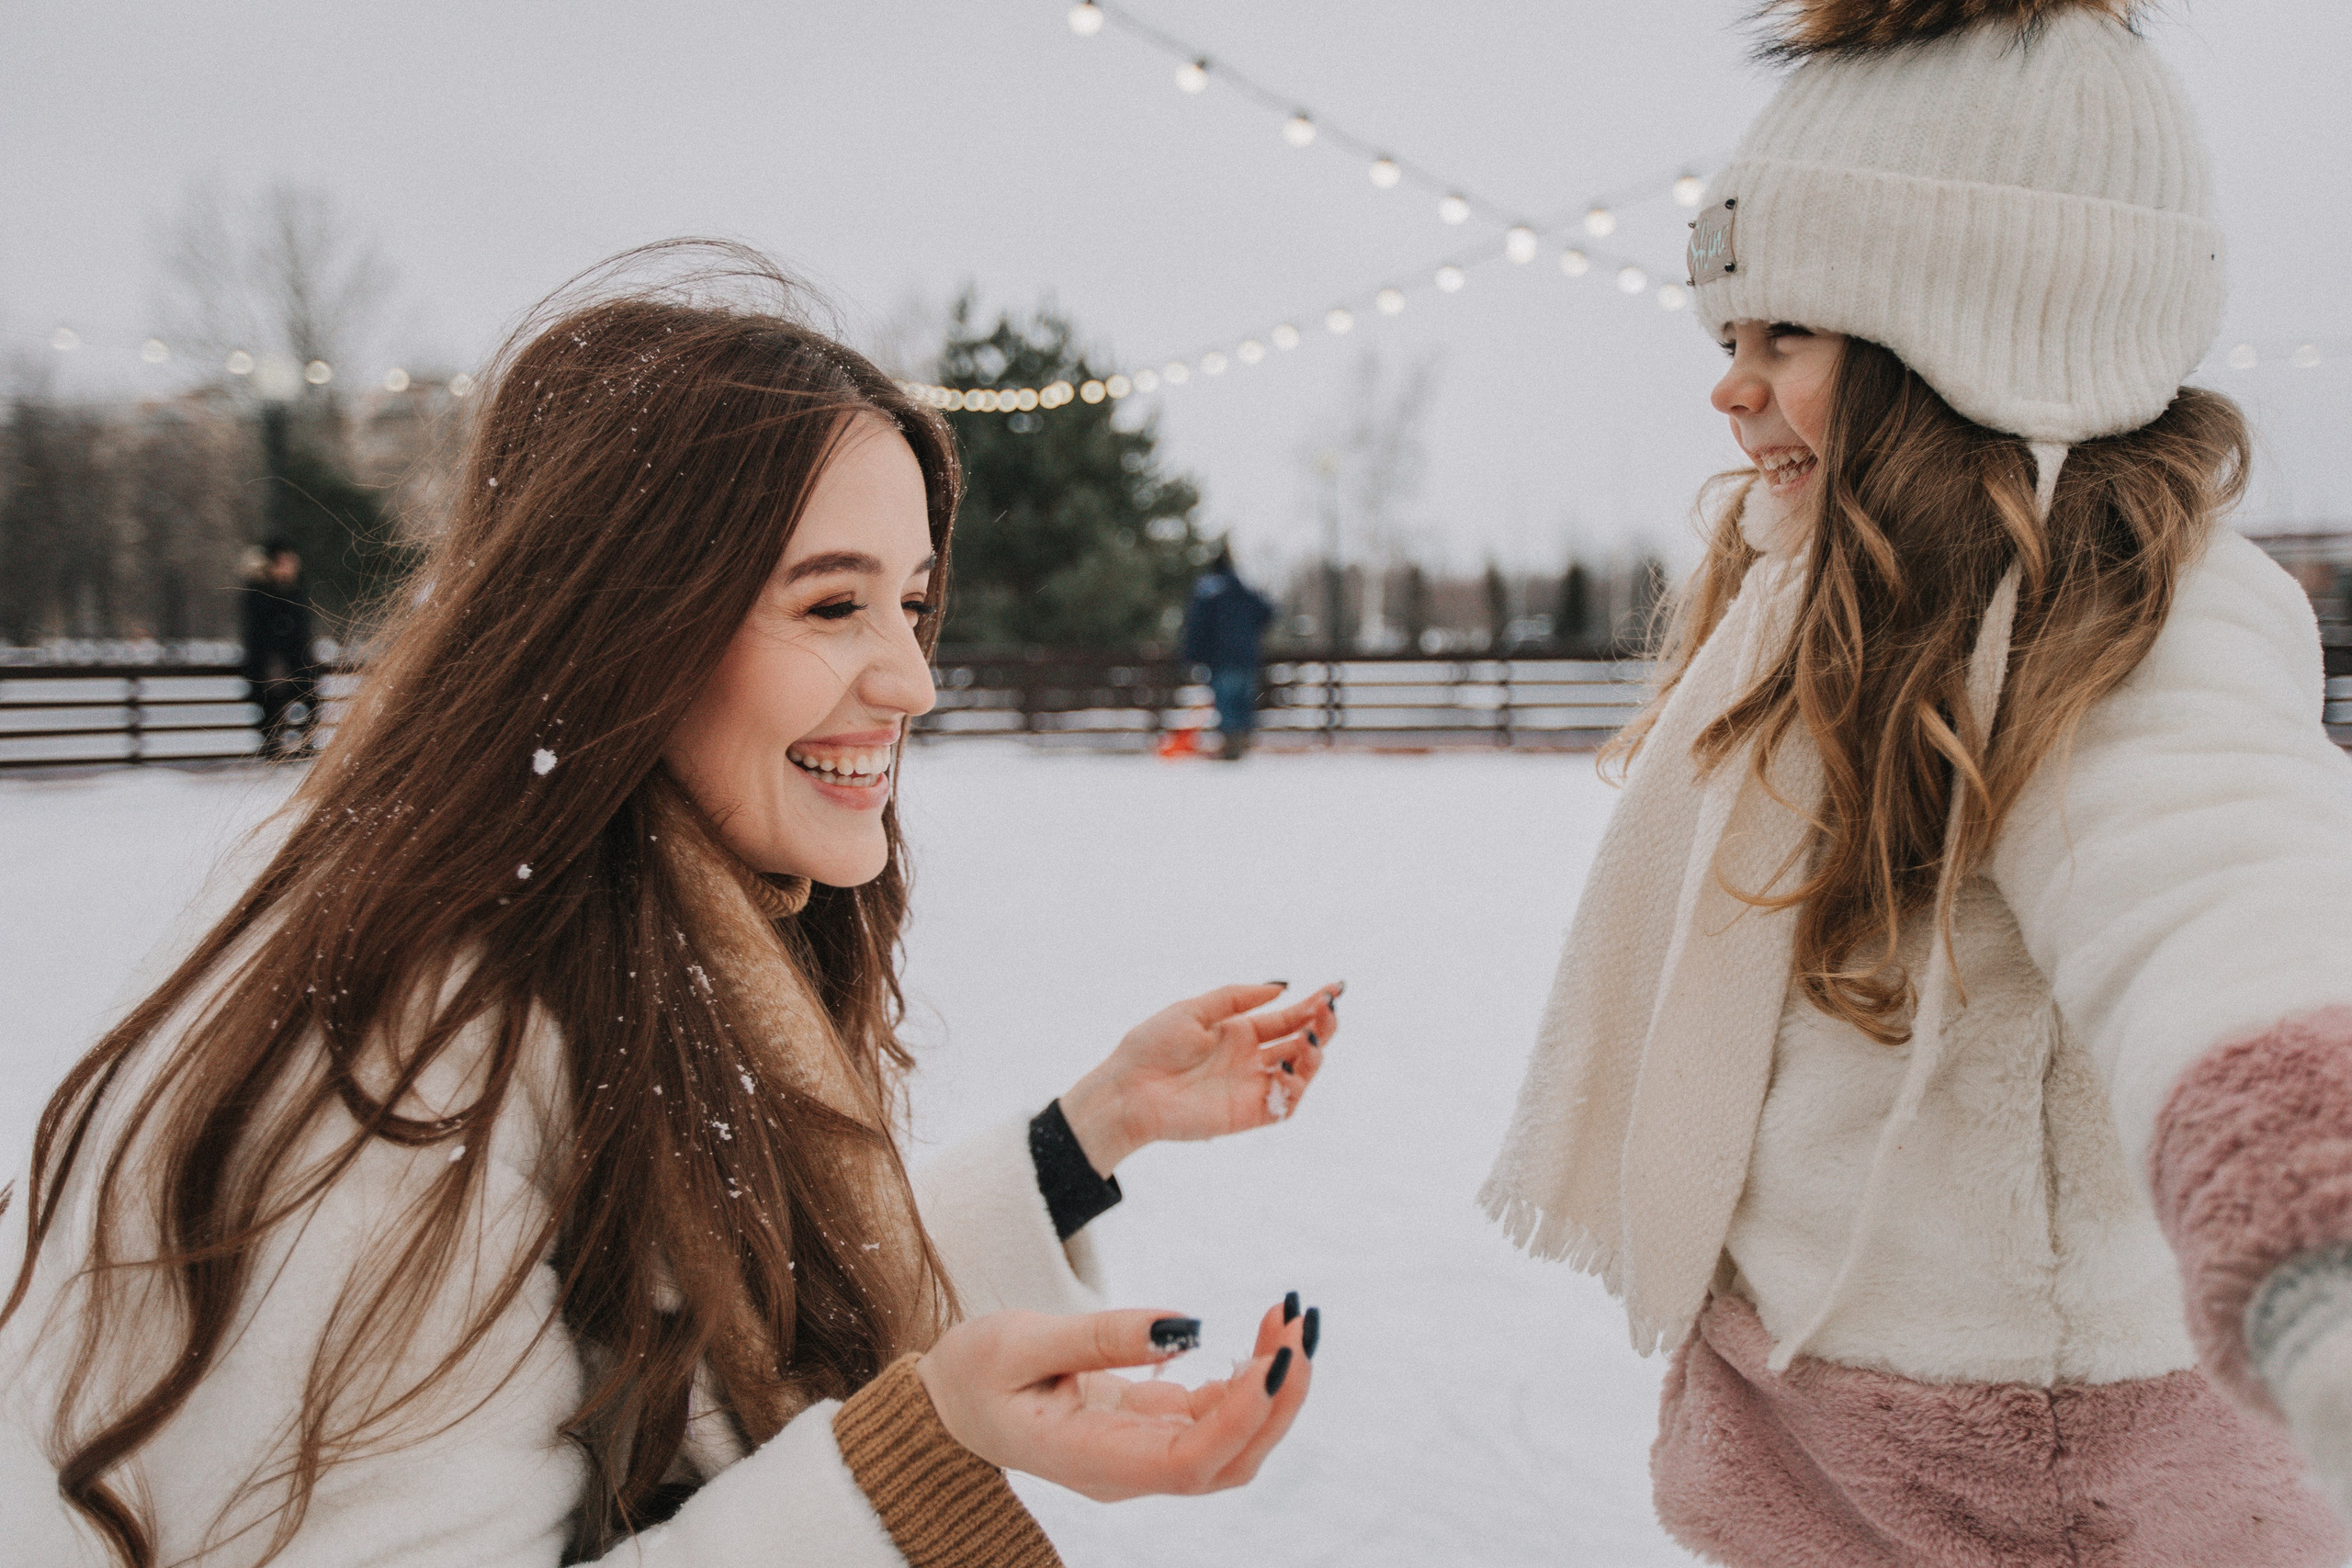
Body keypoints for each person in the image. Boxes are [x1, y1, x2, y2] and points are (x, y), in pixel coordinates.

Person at [0, 244, 1340, 1568]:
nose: (911, 680)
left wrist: (1080, 1138)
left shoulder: (636, 932)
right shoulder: (400, 1071)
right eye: (832, 602)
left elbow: (709, 1325)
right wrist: (902, 1468)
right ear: (626, 619)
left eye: (913, 601)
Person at [1482, 3, 2352, 1562]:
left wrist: (2319, 1239)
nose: (1729, 391)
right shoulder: (1807, 586)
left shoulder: (2117, 610)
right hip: (1803, 1409)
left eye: (1783, 338)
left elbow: (2226, 893)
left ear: (1956, 333)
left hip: (2034, 1475)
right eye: (1726, 341)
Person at [1181, 544, 1273, 761]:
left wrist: (1191, 656)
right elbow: (1267, 612)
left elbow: (1196, 627)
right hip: (1247, 657)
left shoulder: (1208, 592)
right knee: (1243, 701)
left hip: (1221, 658)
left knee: (1227, 702)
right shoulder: (1243, 589)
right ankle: (1241, 741)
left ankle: (1232, 745)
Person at [238, 537, 318, 759]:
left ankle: (301, 747)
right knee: (273, 703)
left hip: (296, 662)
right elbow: (262, 631)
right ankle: (275, 748)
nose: (288, 566)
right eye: (283, 561)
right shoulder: (260, 590)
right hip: (271, 665)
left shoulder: (295, 588)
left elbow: (300, 628)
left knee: (308, 700)